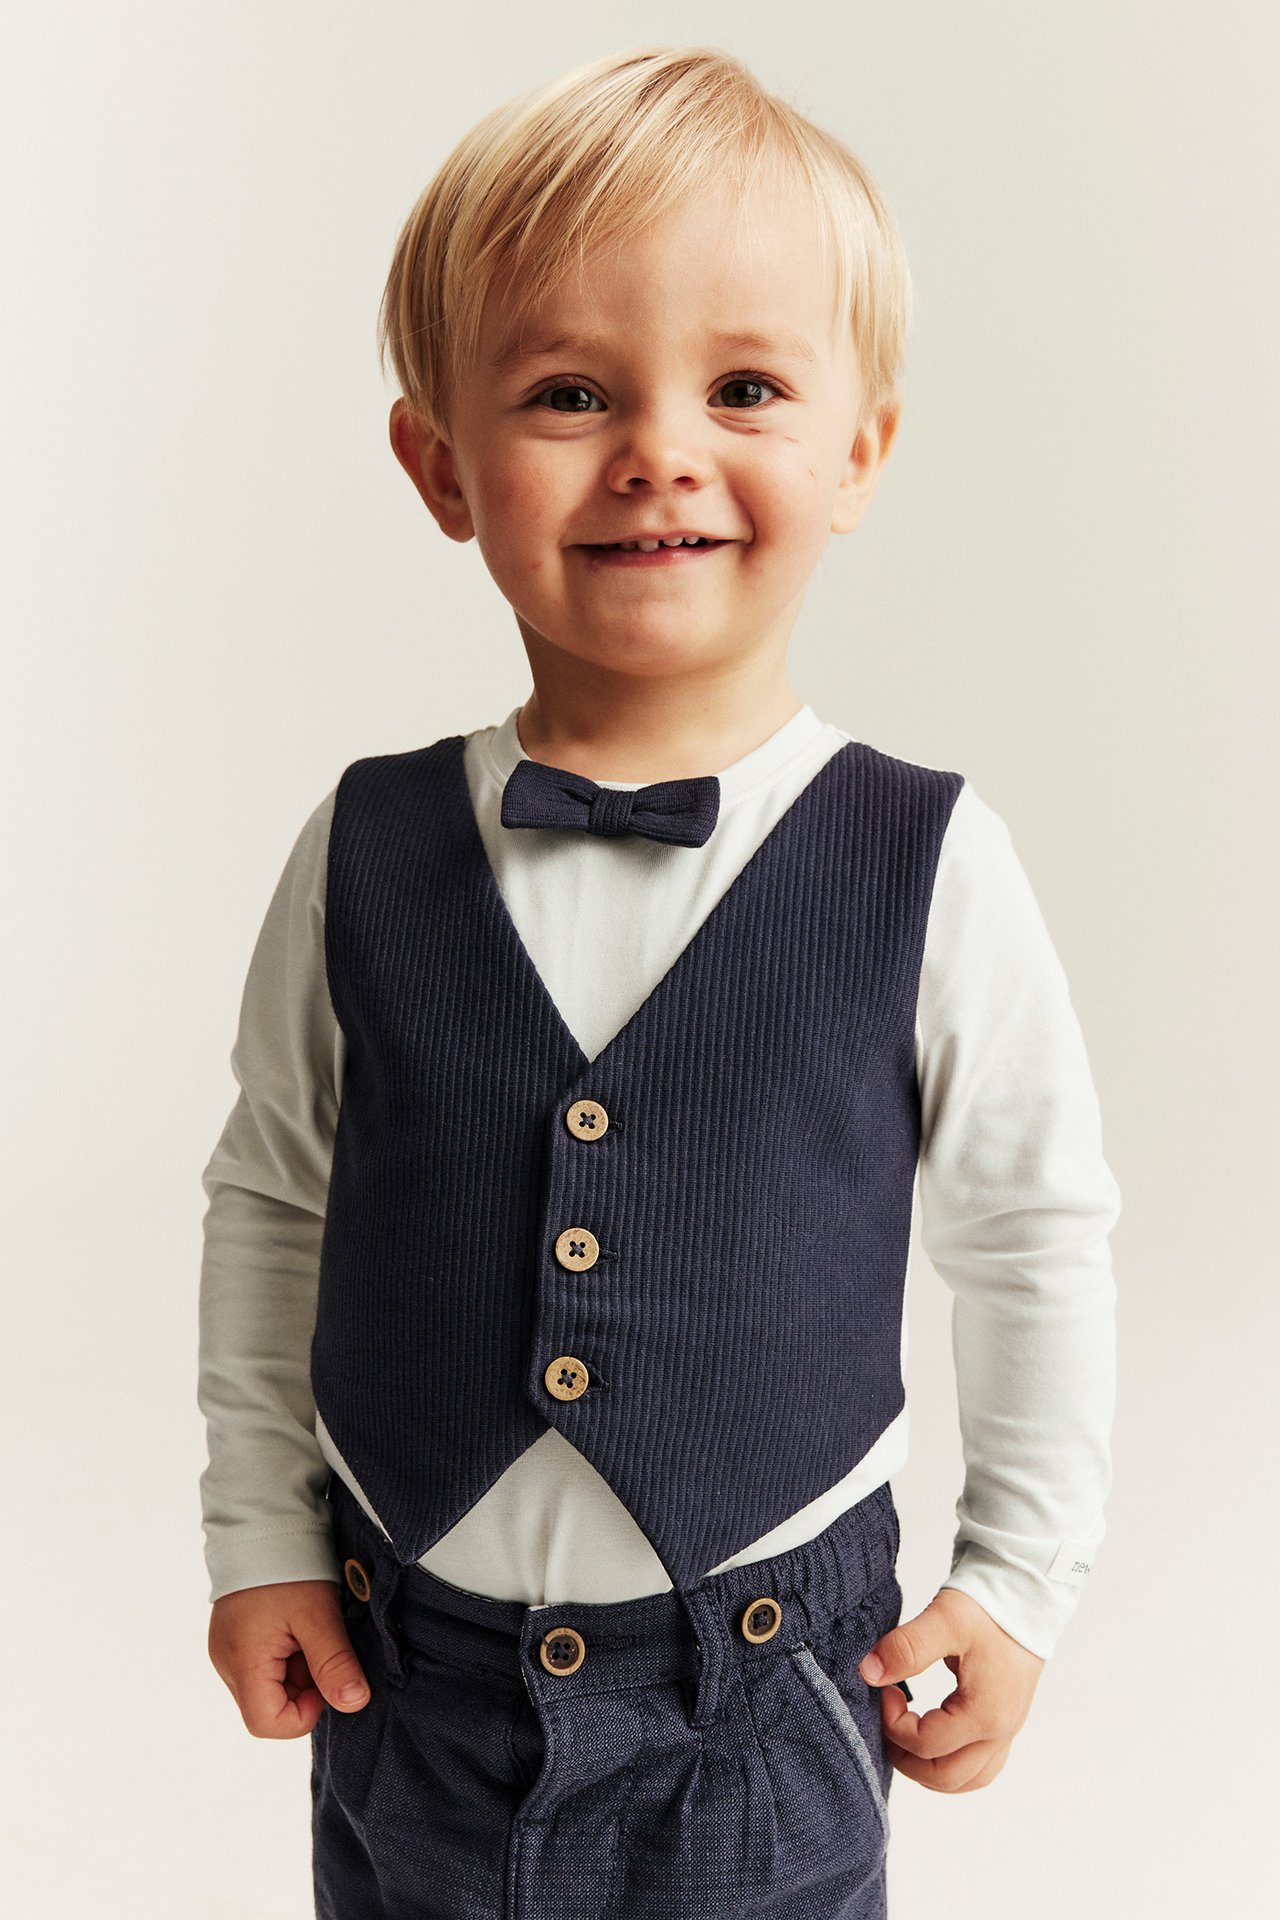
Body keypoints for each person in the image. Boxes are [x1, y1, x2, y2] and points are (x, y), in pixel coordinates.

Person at [199, 42, 1121, 1920]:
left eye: (747, 388)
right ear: (439, 467)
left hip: (765, 1705)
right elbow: (277, 1202)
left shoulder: (929, 860)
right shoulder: (364, 847)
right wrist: (255, 1533)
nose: (659, 452)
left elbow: (1034, 1236)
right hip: (407, 1686)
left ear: (859, 453)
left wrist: (1017, 1580)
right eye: (568, 393)